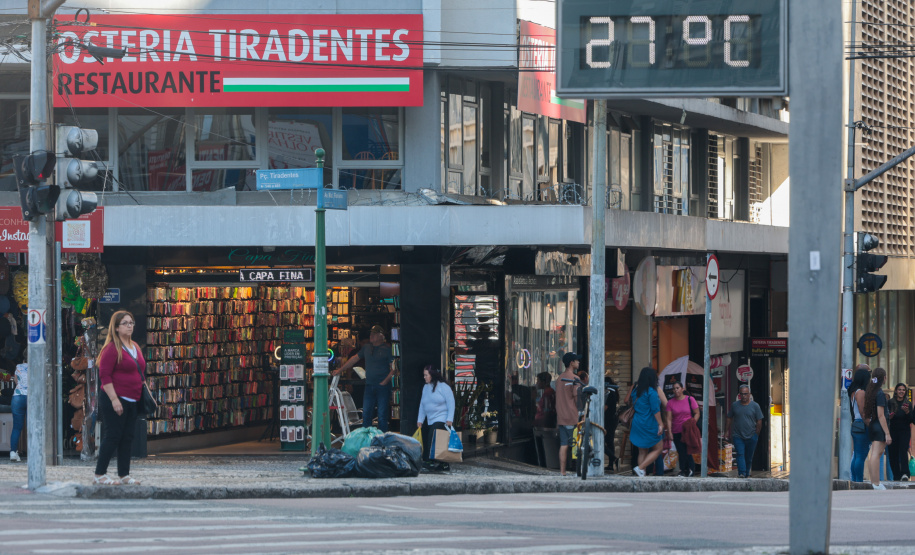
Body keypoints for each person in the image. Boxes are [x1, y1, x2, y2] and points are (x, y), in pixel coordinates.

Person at [94, 310, 145, 486]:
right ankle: (100, 474)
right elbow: (105, 376)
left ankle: (124, 474)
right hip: (114, 398)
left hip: (133, 399)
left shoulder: (135, 346)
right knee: (113, 436)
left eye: (131, 323)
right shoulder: (111, 349)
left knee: (128, 437)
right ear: (116, 328)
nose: (130, 326)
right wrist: (114, 399)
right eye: (125, 323)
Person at [333, 325, 395, 432]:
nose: (371, 336)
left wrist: (384, 382)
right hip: (369, 385)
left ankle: (382, 440)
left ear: (381, 336)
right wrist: (340, 370)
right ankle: (366, 439)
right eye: (371, 333)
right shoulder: (366, 348)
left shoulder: (387, 349)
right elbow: (354, 359)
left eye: (374, 334)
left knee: (382, 415)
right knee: (366, 414)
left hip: (382, 387)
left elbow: (394, 369)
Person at [416, 365, 455, 472]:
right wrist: (420, 419)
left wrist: (450, 419)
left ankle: (429, 461)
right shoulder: (426, 387)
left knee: (432, 436)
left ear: (432, 375)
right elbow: (422, 405)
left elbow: (451, 403)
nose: (424, 377)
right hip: (430, 419)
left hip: (442, 418)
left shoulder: (443, 387)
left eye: (426, 375)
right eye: (424, 375)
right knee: (439, 441)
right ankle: (444, 464)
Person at [629, 367, 664, 477]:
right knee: (658, 448)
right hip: (649, 423)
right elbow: (655, 410)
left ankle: (642, 474)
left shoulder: (636, 391)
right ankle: (640, 468)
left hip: (637, 423)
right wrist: (661, 423)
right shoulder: (651, 392)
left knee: (642, 451)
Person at [726, 384, 763, 479]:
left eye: (746, 394)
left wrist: (756, 433)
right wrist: (726, 430)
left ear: (749, 394)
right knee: (740, 453)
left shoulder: (755, 406)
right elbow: (729, 418)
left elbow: (759, 420)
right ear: (739, 394)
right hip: (738, 435)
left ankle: (746, 473)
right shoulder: (735, 405)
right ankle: (741, 473)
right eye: (742, 394)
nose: (744, 396)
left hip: (751, 435)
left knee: (748, 456)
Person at [555, 352, 581, 477]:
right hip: (572, 415)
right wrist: (582, 411)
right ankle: (578, 470)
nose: (579, 362)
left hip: (561, 416)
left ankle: (562, 471)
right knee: (577, 444)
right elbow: (577, 398)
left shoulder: (559, 378)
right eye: (577, 360)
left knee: (564, 444)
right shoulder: (575, 378)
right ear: (572, 363)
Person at [864, 367, 890, 489]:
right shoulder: (879, 393)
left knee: (875, 454)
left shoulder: (872, 391)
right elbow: (881, 415)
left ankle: (874, 482)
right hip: (879, 426)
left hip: (873, 425)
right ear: (883, 378)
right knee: (876, 454)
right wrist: (887, 433)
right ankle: (876, 483)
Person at [667, 381, 699, 477]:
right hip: (676, 430)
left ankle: (686, 470)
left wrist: (693, 422)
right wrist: (669, 432)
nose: (676, 390)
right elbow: (668, 418)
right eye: (674, 388)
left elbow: (697, 413)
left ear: (682, 389)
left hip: (688, 430)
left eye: (677, 388)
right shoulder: (670, 403)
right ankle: (687, 470)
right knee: (681, 451)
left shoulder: (690, 399)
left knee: (687, 450)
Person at [848, 365, 872, 482]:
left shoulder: (854, 391)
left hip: (856, 425)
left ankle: (854, 479)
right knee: (861, 456)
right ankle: (858, 481)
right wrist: (870, 424)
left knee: (857, 454)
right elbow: (863, 413)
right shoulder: (861, 392)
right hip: (862, 425)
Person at [887, 382, 912, 481]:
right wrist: (890, 417)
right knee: (893, 454)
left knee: (903, 451)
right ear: (896, 391)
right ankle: (896, 475)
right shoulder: (890, 402)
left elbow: (911, 420)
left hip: (904, 431)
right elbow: (885, 416)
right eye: (899, 389)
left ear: (905, 392)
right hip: (892, 431)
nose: (901, 391)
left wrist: (907, 412)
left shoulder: (908, 403)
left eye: (903, 390)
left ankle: (905, 473)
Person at [9, 354, 27, 462]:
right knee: (32, 426)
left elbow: (16, 381)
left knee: (16, 427)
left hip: (17, 397)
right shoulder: (37, 365)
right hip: (31, 397)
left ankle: (13, 452)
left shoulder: (18, 366)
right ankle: (34, 452)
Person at [604, 376, 620, 471]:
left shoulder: (610, 393)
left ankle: (613, 459)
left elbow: (606, 407)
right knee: (609, 442)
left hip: (608, 420)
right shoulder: (613, 392)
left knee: (603, 442)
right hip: (612, 420)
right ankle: (611, 464)